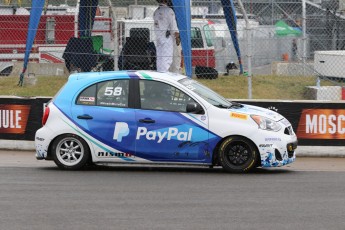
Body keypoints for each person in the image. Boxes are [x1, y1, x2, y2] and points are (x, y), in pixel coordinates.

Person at [153, 0, 180, 73]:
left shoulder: (156, 12)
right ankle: (164, 75)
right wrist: (177, 38)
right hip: (167, 38)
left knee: (160, 58)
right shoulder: (169, 11)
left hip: (159, 38)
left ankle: (160, 72)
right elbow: (173, 27)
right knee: (167, 58)